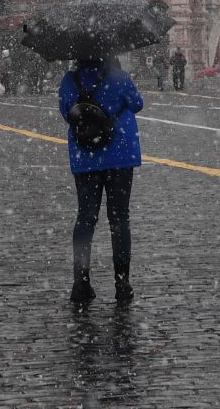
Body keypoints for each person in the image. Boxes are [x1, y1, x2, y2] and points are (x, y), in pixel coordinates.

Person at [59, 53, 145, 305]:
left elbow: (67, 113)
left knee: (86, 217)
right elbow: (137, 103)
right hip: (120, 156)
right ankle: (122, 282)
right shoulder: (119, 77)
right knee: (119, 218)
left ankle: (81, 283)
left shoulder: (69, 81)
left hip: (85, 157)